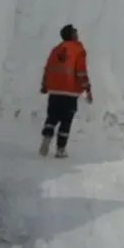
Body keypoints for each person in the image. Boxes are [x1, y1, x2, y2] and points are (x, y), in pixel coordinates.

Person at [39, 24, 93, 158]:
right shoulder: (78, 50)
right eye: (75, 32)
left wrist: (45, 85)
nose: (77, 34)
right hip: (70, 92)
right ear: (72, 35)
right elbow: (81, 72)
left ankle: (46, 139)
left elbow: (48, 68)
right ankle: (60, 149)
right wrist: (87, 88)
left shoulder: (55, 50)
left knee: (51, 117)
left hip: (54, 91)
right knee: (66, 121)